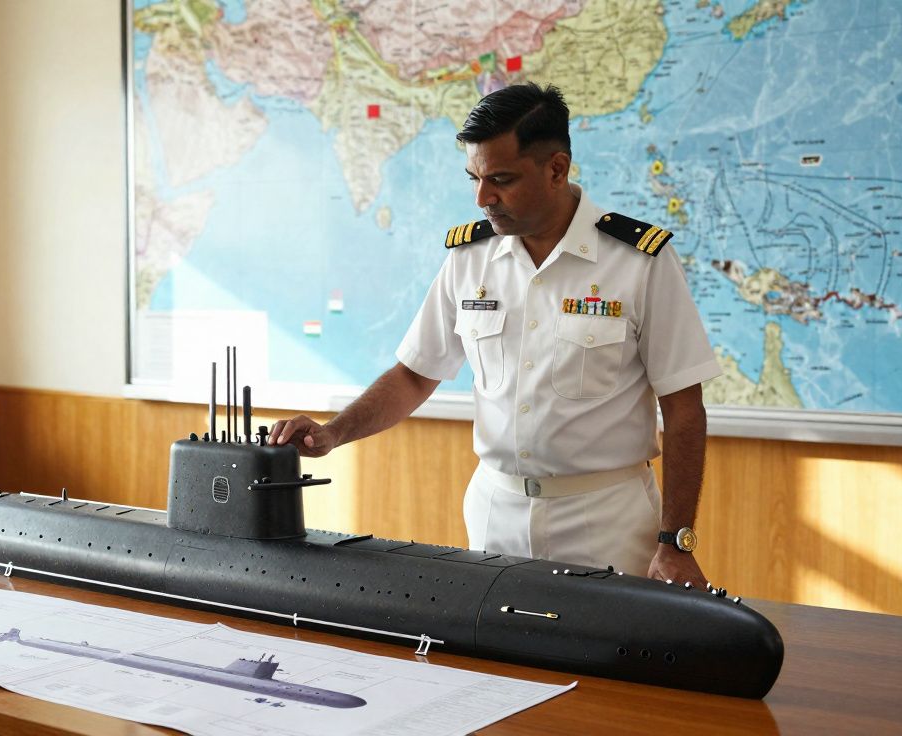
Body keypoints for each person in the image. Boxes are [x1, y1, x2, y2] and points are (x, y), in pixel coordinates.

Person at [269, 83, 720, 586]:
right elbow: (415, 376)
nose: (483, 198)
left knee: (604, 663)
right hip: (494, 513)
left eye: (501, 179)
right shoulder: (469, 258)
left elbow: (683, 407)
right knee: (491, 663)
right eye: (475, 179)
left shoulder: (637, 262)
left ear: (556, 168)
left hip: (607, 518)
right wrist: (334, 432)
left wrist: (675, 540)